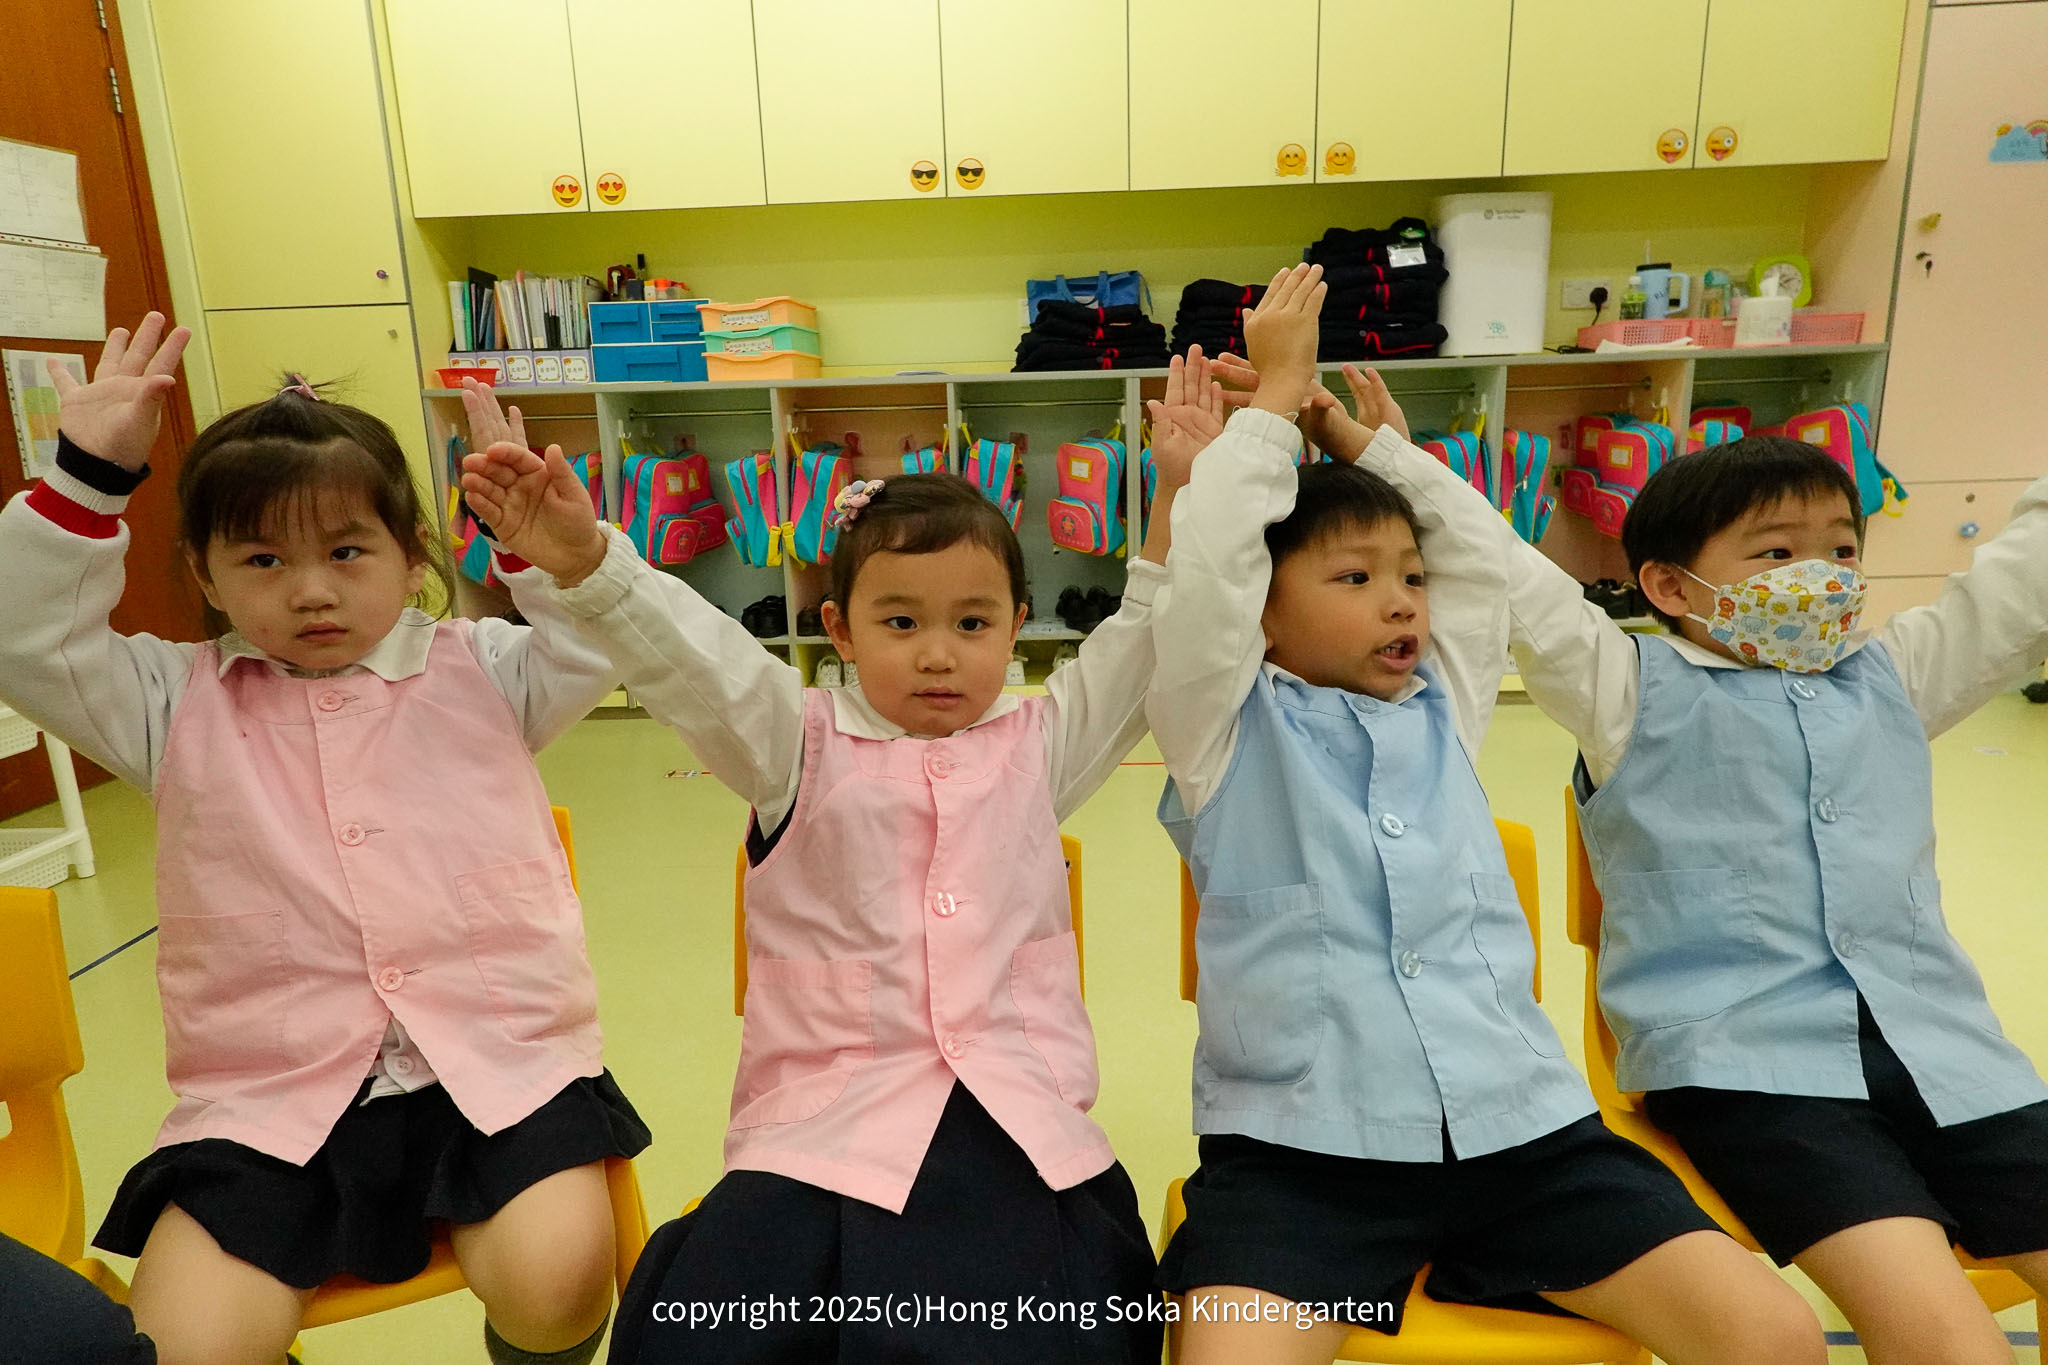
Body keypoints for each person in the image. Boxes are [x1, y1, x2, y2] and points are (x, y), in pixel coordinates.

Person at [457, 356, 1224, 1365]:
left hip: (1015, 1129)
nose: (938, 653)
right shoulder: (794, 739)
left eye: (973, 623)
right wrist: (586, 559)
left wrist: (1178, 489)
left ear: (1016, 626)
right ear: (839, 630)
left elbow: (1143, 632)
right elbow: (687, 653)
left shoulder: (1039, 745)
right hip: (819, 1137)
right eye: (900, 622)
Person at [1148, 266, 1825, 1365]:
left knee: (1773, 1334)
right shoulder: (1216, 725)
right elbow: (1213, 573)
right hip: (1301, 1154)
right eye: (1354, 578)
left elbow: (1478, 555)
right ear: (1261, 614)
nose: (1401, 600)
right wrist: (1270, 405)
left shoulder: (1443, 707)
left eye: (1408, 579)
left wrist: (1366, 445)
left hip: (1524, 1133)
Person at [0, 316, 645, 1365]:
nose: (309, 589)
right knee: (185, 1347)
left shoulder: (484, 670)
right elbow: (19, 636)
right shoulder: (168, 701)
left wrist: (549, 547)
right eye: (262, 558)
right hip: (269, 1098)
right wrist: (83, 482)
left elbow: (608, 632)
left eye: (347, 552)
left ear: (411, 554)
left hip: (495, 1067)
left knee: (560, 1286)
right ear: (205, 574)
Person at [1362, 401, 2048, 1365]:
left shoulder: (1892, 674)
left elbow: (2020, 585)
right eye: (1777, 553)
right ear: (1668, 584)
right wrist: (1383, 454)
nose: (1821, 575)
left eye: (1842, 549)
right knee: (1943, 1329)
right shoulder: (1626, 684)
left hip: (1946, 1050)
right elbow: (1505, 567)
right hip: (1753, 1071)